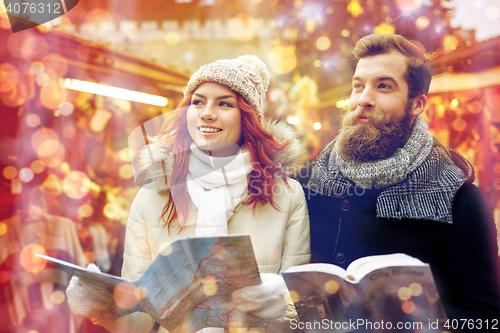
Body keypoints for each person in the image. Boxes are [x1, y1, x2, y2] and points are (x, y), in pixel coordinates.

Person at [65, 55, 311, 333]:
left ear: (248, 118)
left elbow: (301, 313)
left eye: (224, 103)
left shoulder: (286, 196)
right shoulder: (151, 198)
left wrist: (274, 308)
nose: (206, 112)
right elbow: (140, 322)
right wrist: (103, 306)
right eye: (198, 101)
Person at [299, 34, 500, 329]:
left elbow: (486, 319)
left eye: (383, 86)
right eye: (358, 85)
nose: (364, 99)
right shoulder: (309, 180)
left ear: (417, 104)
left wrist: (407, 317)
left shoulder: (460, 200)